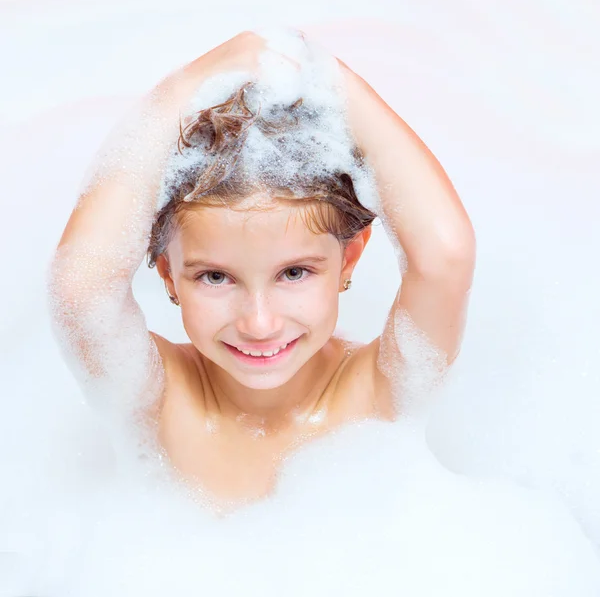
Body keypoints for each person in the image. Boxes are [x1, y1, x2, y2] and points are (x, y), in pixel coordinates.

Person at [48, 29, 476, 511]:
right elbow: (81, 289)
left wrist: (335, 82)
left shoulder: (380, 394)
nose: (259, 323)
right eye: (215, 277)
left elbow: (445, 258)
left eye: (294, 273)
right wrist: (186, 88)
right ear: (168, 274)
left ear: (348, 259)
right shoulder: (159, 401)